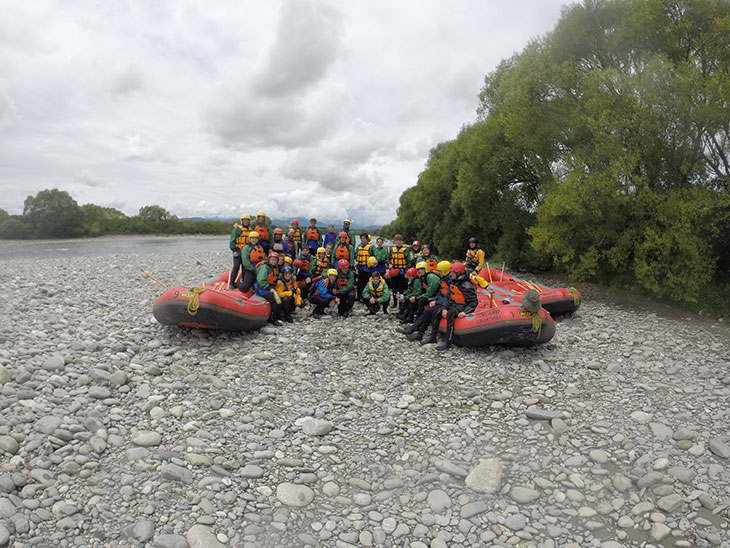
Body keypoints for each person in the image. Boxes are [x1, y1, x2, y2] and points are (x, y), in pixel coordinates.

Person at [422, 262, 478, 350]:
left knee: (450, 314)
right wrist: (444, 308)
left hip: (461, 305)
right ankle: (432, 338)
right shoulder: (453, 282)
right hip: (453, 303)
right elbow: (448, 298)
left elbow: (473, 303)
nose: (450, 274)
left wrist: (464, 312)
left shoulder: (466, 285)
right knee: (437, 312)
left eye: (452, 272)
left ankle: (448, 342)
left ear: (458, 273)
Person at [397, 260, 449, 340]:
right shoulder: (427, 278)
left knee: (423, 304)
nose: (419, 271)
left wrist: (436, 301)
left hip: (444, 302)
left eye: (421, 269)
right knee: (420, 303)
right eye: (418, 270)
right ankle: (414, 326)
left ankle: (418, 330)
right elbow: (441, 293)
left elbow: (437, 293)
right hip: (439, 299)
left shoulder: (433, 277)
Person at [254, 252, 283, 326]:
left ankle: (278, 315)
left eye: (275, 260)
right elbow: (261, 280)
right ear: (269, 260)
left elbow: (277, 275)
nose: (274, 261)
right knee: (276, 301)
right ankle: (274, 319)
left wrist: (279, 279)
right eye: (272, 260)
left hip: (270, 287)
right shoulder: (264, 267)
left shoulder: (274, 267)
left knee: (280, 299)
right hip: (262, 289)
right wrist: (269, 288)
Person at [387, 234, 412, 307]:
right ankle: (394, 302)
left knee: (401, 288)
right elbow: (388, 259)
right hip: (394, 270)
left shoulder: (405, 250)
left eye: (400, 240)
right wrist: (389, 264)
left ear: (402, 241)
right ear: (395, 241)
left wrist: (407, 271)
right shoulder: (392, 249)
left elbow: (408, 261)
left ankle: (401, 303)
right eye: (397, 240)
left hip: (402, 271)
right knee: (394, 287)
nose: (398, 242)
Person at [228, 214, 252, 289]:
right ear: (242, 221)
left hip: (246, 251)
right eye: (244, 220)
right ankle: (231, 283)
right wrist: (234, 250)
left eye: (247, 220)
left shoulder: (251, 229)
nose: (246, 221)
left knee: (245, 267)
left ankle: (243, 281)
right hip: (238, 251)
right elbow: (232, 241)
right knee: (236, 267)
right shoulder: (237, 229)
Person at [354, 232, 373, 301]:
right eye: (361, 238)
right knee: (359, 283)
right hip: (360, 267)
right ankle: (359, 296)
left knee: (366, 283)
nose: (362, 240)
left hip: (368, 268)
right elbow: (355, 256)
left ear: (367, 239)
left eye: (364, 238)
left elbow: (375, 255)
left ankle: (365, 297)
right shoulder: (359, 247)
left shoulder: (371, 247)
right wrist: (356, 266)